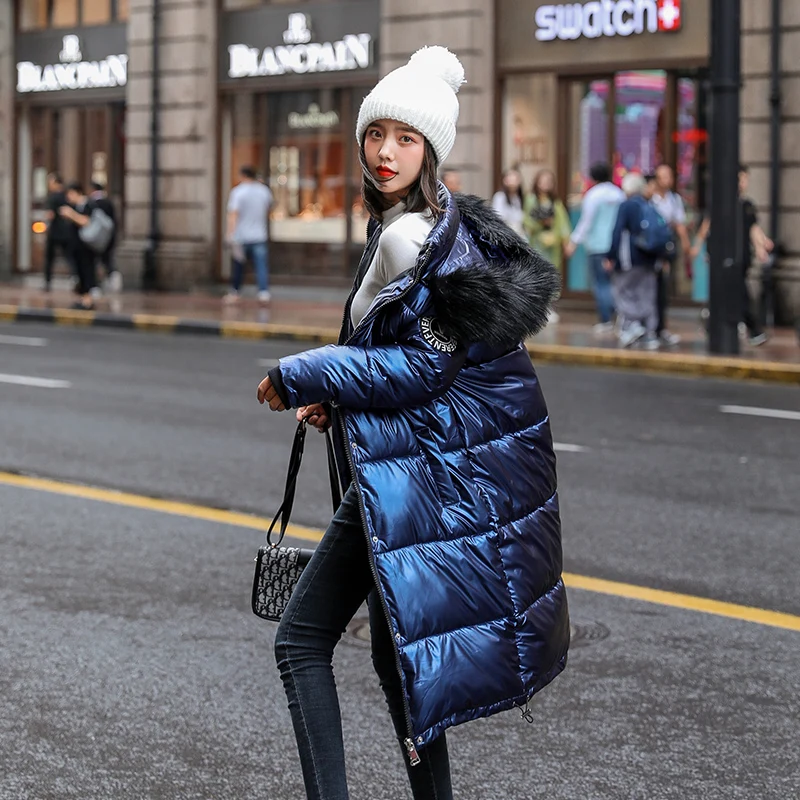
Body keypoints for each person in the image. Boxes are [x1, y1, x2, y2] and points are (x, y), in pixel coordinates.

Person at [256, 46, 568, 800]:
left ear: (431, 149)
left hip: (411, 480)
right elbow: (413, 357)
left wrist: (302, 372)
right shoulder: (439, 226)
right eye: (375, 134)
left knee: (300, 642)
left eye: (405, 138)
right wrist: (344, 394)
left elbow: (426, 369)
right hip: (419, 472)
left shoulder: (411, 240)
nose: (386, 152)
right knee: (400, 663)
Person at [565, 162, 626, 333]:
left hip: (597, 245)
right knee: (614, 283)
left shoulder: (593, 195)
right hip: (615, 245)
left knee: (601, 283)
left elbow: (586, 222)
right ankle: (620, 315)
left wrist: (574, 242)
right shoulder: (618, 194)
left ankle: (606, 319)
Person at [606, 172, 661, 349]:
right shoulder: (648, 204)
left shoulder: (627, 206)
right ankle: (649, 331)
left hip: (629, 257)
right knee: (646, 292)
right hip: (649, 257)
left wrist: (610, 256)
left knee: (624, 290)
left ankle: (632, 325)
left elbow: (617, 231)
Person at [650, 164, 691, 346]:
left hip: (665, 248)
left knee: (662, 288)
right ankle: (649, 326)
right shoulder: (649, 199)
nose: (667, 180)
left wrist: (686, 244)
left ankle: (660, 327)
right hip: (650, 249)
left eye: (669, 176)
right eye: (663, 176)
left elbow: (679, 224)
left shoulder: (674, 200)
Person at [224, 165, 273, 304]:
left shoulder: (238, 192)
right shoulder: (264, 191)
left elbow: (233, 214)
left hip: (241, 235)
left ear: (243, 176)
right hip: (259, 234)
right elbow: (269, 209)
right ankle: (263, 293)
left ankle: (235, 292)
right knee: (261, 265)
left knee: (238, 265)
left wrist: (229, 234)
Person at [523, 168, 571, 277]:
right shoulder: (531, 199)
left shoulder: (555, 202)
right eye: (543, 181)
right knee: (537, 274)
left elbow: (563, 223)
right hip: (536, 243)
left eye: (549, 181)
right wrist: (540, 223)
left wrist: (566, 242)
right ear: (537, 182)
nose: (546, 183)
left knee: (553, 274)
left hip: (553, 244)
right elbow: (527, 221)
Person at [58, 181, 98, 310]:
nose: (69, 197)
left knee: (87, 270)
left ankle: (88, 299)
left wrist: (71, 214)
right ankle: (81, 298)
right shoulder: (74, 206)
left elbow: (86, 221)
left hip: (87, 245)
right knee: (78, 271)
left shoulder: (88, 205)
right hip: (75, 245)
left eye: (70, 194)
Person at [89, 181, 122, 293]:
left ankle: (98, 283)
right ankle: (112, 279)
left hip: (96, 238)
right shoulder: (109, 202)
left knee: (97, 260)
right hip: (109, 237)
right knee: (107, 260)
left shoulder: (93, 203)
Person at [43, 173, 72, 292]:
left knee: (50, 258)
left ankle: (47, 283)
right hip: (67, 232)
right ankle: (75, 277)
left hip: (55, 232)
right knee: (70, 257)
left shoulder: (53, 197)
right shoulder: (67, 196)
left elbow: (49, 215)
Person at [491, 168, 525, 237]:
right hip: (505, 234)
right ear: (504, 180)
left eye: (515, 179)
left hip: (519, 234)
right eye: (510, 178)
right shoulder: (500, 196)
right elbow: (498, 217)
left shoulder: (518, 198)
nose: (512, 181)